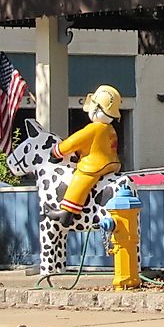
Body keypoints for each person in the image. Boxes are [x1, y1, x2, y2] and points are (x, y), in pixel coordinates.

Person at [47, 85, 123, 226]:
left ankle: (67, 213)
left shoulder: (93, 128)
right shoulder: (110, 128)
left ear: (96, 108)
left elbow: (73, 142)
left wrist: (57, 151)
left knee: (80, 178)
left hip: (97, 164)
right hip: (112, 163)